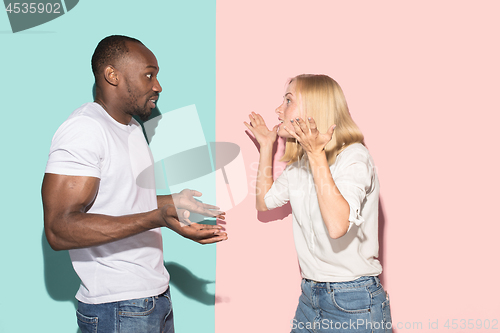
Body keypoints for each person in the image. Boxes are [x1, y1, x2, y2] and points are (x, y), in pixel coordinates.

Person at [41, 35, 227, 333]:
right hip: (117, 307)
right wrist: (157, 218)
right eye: (149, 75)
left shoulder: (132, 127)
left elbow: (126, 200)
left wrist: (171, 203)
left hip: (153, 297)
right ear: (112, 75)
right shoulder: (84, 129)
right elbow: (58, 229)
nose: (158, 85)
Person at [244, 74, 392, 333]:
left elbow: (337, 226)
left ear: (315, 110)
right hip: (310, 297)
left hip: (354, 301)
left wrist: (315, 155)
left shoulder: (355, 158)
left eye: (288, 101)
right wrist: (267, 146)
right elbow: (264, 202)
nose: (279, 110)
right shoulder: (300, 166)